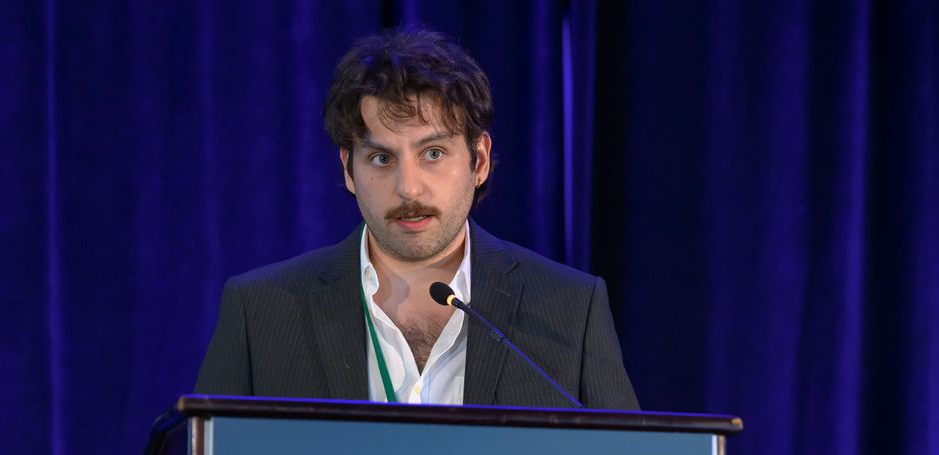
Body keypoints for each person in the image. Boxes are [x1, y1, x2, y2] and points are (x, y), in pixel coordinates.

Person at [196, 27, 638, 410]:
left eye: (433, 153)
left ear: (480, 161)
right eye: (381, 158)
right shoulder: (261, 311)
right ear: (348, 169)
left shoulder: (570, 309)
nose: (408, 188)